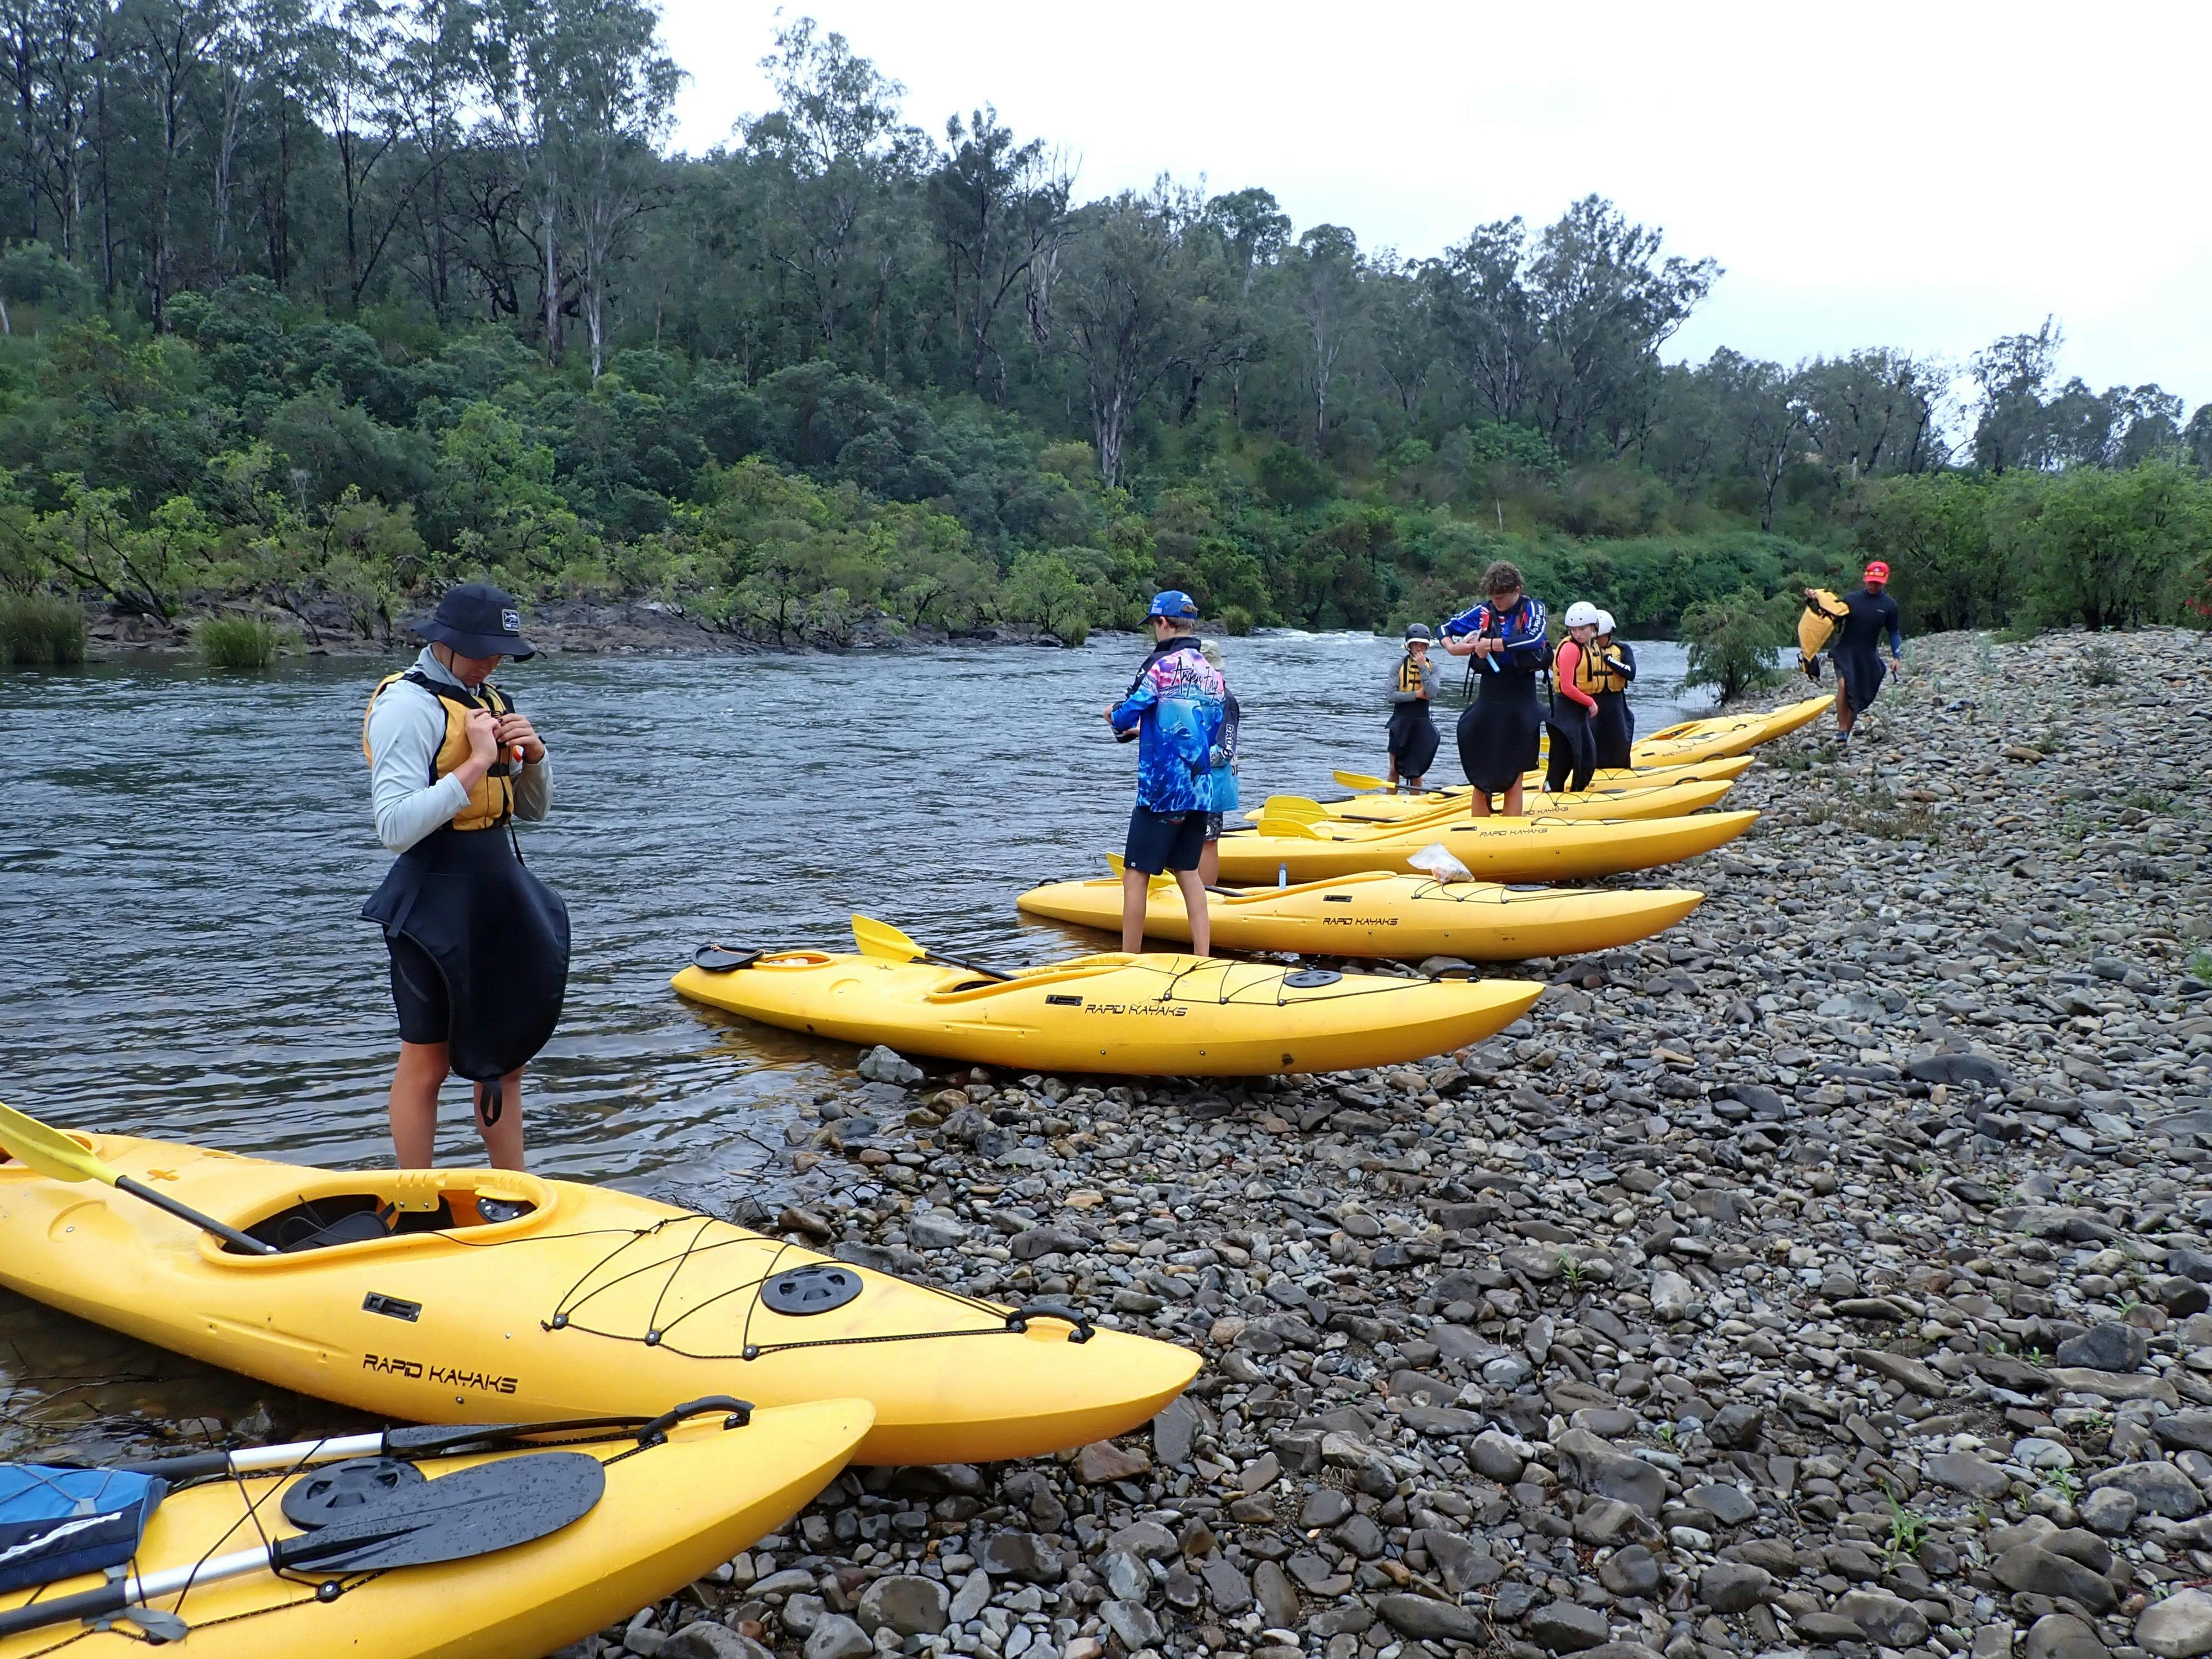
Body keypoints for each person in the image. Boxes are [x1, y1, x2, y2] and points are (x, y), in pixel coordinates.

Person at [361, 582, 568, 1171]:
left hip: (497, 893)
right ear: (445, 642)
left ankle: (514, 1187)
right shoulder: (407, 705)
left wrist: (537, 760)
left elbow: (531, 812)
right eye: (482, 648)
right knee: (425, 1061)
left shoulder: (491, 699)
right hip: (432, 897)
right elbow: (395, 826)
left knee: (506, 1058)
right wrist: (477, 761)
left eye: (501, 650)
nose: (492, 661)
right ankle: (414, 1197)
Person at [1104, 591, 1224, 955]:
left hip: (1161, 791)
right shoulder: (1211, 672)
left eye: (1154, 625)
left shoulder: (1161, 667)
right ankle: (1203, 956)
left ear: (1163, 623)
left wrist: (1111, 712)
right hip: (1200, 789)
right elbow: (1212, 726)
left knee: (1135, 875)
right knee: (1188, 873)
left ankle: (1129, 960)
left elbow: (1126, 716)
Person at [1441, 561, 1550, 816]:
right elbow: (1444, 628)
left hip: (1521, 696)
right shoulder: (1483, 611)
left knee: (1515, 773)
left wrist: (1489, 644)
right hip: (1490, 695)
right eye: (1493, 597)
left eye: (1501, 597)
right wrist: (1453, 647)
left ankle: (1511, 828)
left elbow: (1533, 638)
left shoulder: (1534, 608)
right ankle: (1480, 827)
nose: (1496, 602)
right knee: (1481, 771)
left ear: (1517, 590)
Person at [1816, 560, 1905, 747]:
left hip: (1867, 655)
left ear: (1885, 581)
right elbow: (1829, 614)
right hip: (1845, 651)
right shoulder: (1851, 600)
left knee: (1855, 695)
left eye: (1878, 583)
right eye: (1871, 582)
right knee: (1844, 685)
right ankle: (1841, 729)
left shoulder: (1889, 606)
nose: (1873, 586)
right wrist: (1814, 599)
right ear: (1865, 579)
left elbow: (1893, 632)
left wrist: (1897, 657)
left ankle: (1844, 739)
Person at [1543, 602, 1604, 794]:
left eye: (1582, 629)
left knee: (1586, 759)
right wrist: (1591, 702)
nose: (1578, 634)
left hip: (1576, 713)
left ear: (1593, 628)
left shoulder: (1592, 647)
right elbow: (1567, 687)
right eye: (1574, 629)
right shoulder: (1571, 648)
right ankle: (1550, 793)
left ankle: (1576, 793)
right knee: (1562, 760)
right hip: (1564, 713)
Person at [1196, 638, 1240, 886]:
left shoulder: (1226, 700)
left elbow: (1225, 751)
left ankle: (1206, 895)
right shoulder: (1186, 697)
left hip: (1212, 784)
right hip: (1189, 782)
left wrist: (1188, 758)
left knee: (1208, 840)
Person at [1385, 623, 1441, 790]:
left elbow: (1432, 693)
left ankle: (1415, 802)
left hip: (1421, 722)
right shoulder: (1398, 666)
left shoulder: (1434, 668)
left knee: (1417, 772)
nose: (1420, 649)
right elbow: (1391, 696)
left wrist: (1423, 667)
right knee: (1395, 769)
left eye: (1423, 645)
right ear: (1409, 645)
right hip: (1401, 722)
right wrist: (1416, 695)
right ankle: (1389, 802)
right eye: (1416, 645)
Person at [1587, 609, 1638, 771]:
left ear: (1609, 633)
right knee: (1592, 739)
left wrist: (1608, 659)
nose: (1596, 640)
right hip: (1594, 701)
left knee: (1620, 739)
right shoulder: (1586, 651)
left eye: (1599, 637)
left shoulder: (1622, 650)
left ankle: (1620, 771)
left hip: (1616, 702)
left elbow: (1630, 673)